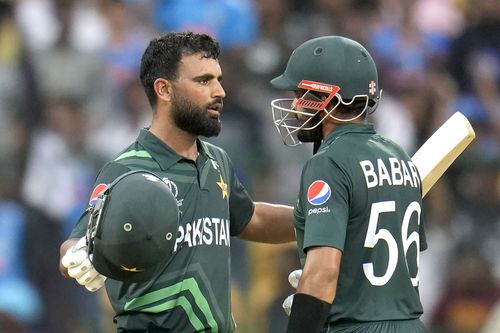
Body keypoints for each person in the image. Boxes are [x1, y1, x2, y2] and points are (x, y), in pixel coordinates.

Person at [58, 31, 295, 333]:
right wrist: (78, 255)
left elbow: (251, 218)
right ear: (164, 90)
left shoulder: (216, 160)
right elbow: (75, 244)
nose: (220, 91)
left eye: (218, 79)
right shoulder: (127, 169)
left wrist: (322, 217)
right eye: (203, 80)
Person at [269, 36, 428, 333]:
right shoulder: (401, 156)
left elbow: (323, 272)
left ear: (328, 97)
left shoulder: (328, 162)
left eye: (300, 93)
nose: (293, 104)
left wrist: (306, 317)